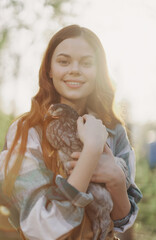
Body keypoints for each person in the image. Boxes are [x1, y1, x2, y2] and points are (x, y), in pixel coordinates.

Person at [0, 25, 142, 240]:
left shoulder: (114, 130)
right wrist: (91, 152)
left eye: (86, 63)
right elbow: (40, 229)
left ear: (98, 71)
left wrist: (116, 180)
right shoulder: (26, 132)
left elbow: (122, 221)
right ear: (49, 69)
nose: (75, 70)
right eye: (64, 61)